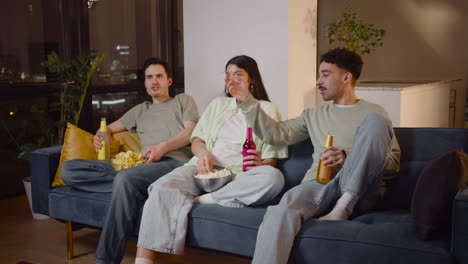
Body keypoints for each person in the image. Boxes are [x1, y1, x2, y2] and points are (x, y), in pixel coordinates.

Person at [233, 48, 401, 264]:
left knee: (375, 121)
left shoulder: (375, 113)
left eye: (325, 74)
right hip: (319, 184)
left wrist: (347, 158)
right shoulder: (313, 115)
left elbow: (393, 164)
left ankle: (345, 204)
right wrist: (247, 101)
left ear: (346, 77)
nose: (318, 81)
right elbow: (275, 134)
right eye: (319, 75)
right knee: (281, 209)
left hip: (361, 190)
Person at [133, 55, 288, 264]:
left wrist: (260, 164)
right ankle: (143, 261)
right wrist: (203, 154)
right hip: (203, 169)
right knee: (161, 187)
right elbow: (197, 140)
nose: (232, 80)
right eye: (228, 75)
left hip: (238, 176)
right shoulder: (217, 105)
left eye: (239, 75)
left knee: (274, 177)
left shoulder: (268, 109)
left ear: (252, 79)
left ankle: (206, 200)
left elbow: (272, 161)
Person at [60, 57, 199, 264]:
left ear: (169, 81)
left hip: (173, 164)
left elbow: (190, 133)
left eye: (159, 76)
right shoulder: (140, 110)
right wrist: (100, 136)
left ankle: (105, 260)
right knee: (69, 170)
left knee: (125, 179)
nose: (154, 81)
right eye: (149, 77)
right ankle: (134, 188)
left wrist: (162, 147)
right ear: (144, 82)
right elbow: (107, 128)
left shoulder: (183, 101)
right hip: (142, 167)